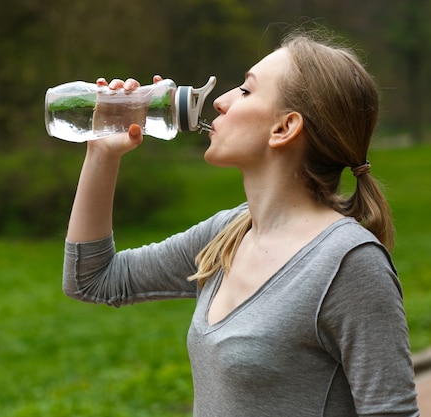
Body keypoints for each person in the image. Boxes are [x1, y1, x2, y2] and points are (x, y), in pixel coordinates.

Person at [62, 30, 420, 416]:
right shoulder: (228, 235)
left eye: (246, 91)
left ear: (284, 128)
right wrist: (102, 152)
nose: (219, 101)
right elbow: (92, 279)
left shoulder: (348, 264)